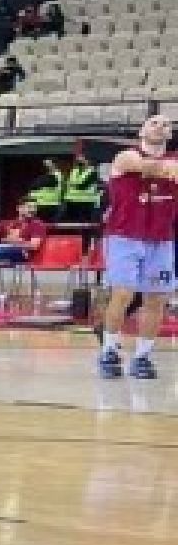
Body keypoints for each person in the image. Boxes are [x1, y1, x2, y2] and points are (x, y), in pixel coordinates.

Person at [97, 116, 178, 379]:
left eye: (166, 124)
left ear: (170, 134)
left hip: (161, 239)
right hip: (124, 237)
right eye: (154, 123)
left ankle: (142, 356)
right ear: (142, 131)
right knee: (122, 294)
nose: (160, 126)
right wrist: (166, 168)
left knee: (156, 298)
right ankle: (109, 350)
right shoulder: (125, 157)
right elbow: (145, 166)